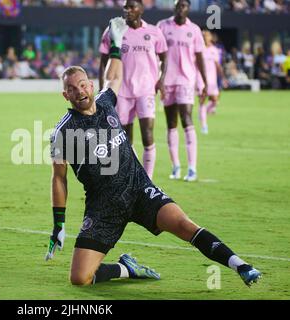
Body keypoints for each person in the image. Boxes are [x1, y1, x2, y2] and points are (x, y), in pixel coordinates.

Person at [45, 17, 261, 287]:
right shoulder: (63, 133)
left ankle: (241, 265)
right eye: (72, 89)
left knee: (184, 225)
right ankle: (127, 268)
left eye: (83, 84)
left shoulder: (106, 102)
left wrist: (115, 43)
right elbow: (59, 178)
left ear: (90, 84)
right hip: (103, 207)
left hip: (139, 190)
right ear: (65, 95)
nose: (80, 91)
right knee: (80, 278)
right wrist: (59, 224)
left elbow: (113, 76)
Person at [98, 0, 167, 179]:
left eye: (132, 7)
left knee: (148, 134)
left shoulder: (154, 32)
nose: (127, 10)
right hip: (121, 91)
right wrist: (102, 89)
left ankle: (148, 180)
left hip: (146, 90)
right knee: (125, 140)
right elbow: (104, 62)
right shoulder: (114, 30)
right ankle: (137, 177)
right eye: (125, 7)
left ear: (141, 10)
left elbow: (164, 58)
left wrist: (161, 80)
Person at [157, 0, 207, 182]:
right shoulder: (162, 26)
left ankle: (192, 168)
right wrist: (157, 78)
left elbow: (200, 56)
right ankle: (176, 166)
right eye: (178, 6)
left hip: (186, 80)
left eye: (184, 6)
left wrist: (205, 82)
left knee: (186, 118)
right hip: (167, 80)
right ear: (174, 8)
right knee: (171, 123)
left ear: (188, 9)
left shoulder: (194, 29)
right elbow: (155, 54)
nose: (180, 9)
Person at [196, 30, 227, 134]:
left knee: (214, 100)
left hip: (212, 80)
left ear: (210, 37)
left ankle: (203, 112)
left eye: (207, 36)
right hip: (201, 79)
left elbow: (218, 65)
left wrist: (223, 78)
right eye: (203, 36)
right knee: (202, 100)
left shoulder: (215, 50)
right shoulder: (198, 49)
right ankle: (204, 126)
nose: (205, 37)